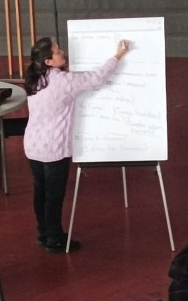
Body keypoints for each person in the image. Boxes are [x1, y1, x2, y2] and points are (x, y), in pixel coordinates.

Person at [23, 37, 129, 253]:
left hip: (33, 145)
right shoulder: (64, 81)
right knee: (54, 196)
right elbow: (96, 78)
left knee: (40, 192)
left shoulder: (35, 79)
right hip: (53, 148)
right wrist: (118, 56)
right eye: (57, 51)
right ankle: (55, 239)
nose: (62, 52)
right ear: (48, 61)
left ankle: (44, 233)